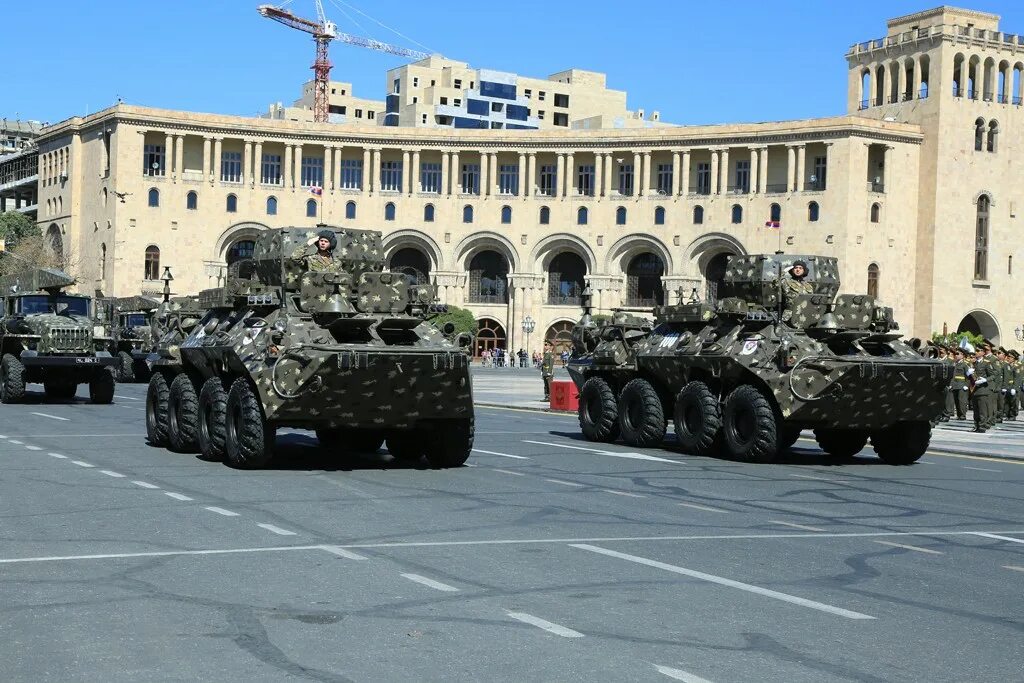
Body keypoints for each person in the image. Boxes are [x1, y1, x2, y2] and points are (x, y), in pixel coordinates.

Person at [969, 345, 993, 432]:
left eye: (979, 351)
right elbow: (971, 377)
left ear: (983, 353)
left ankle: (982, 426)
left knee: (982, 410)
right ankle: (976, 425)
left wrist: (985, 380)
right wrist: (969, 374)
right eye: (976, 350)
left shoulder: (987, 363)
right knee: (976, 410)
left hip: (983, 389)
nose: (976, 352)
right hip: (974, 389)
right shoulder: (974, 363)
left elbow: (993, 375)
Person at [951, 348, 970, 420]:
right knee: (956, 401)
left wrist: (966, 385)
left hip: (962, 385)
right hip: (955, 384)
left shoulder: (965, 364)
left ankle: (962, 415)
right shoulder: (955, 363)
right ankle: (959, 414)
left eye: (957, 354)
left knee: (962, 401)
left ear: (962, 355)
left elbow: (968, 376)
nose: (956, 355)